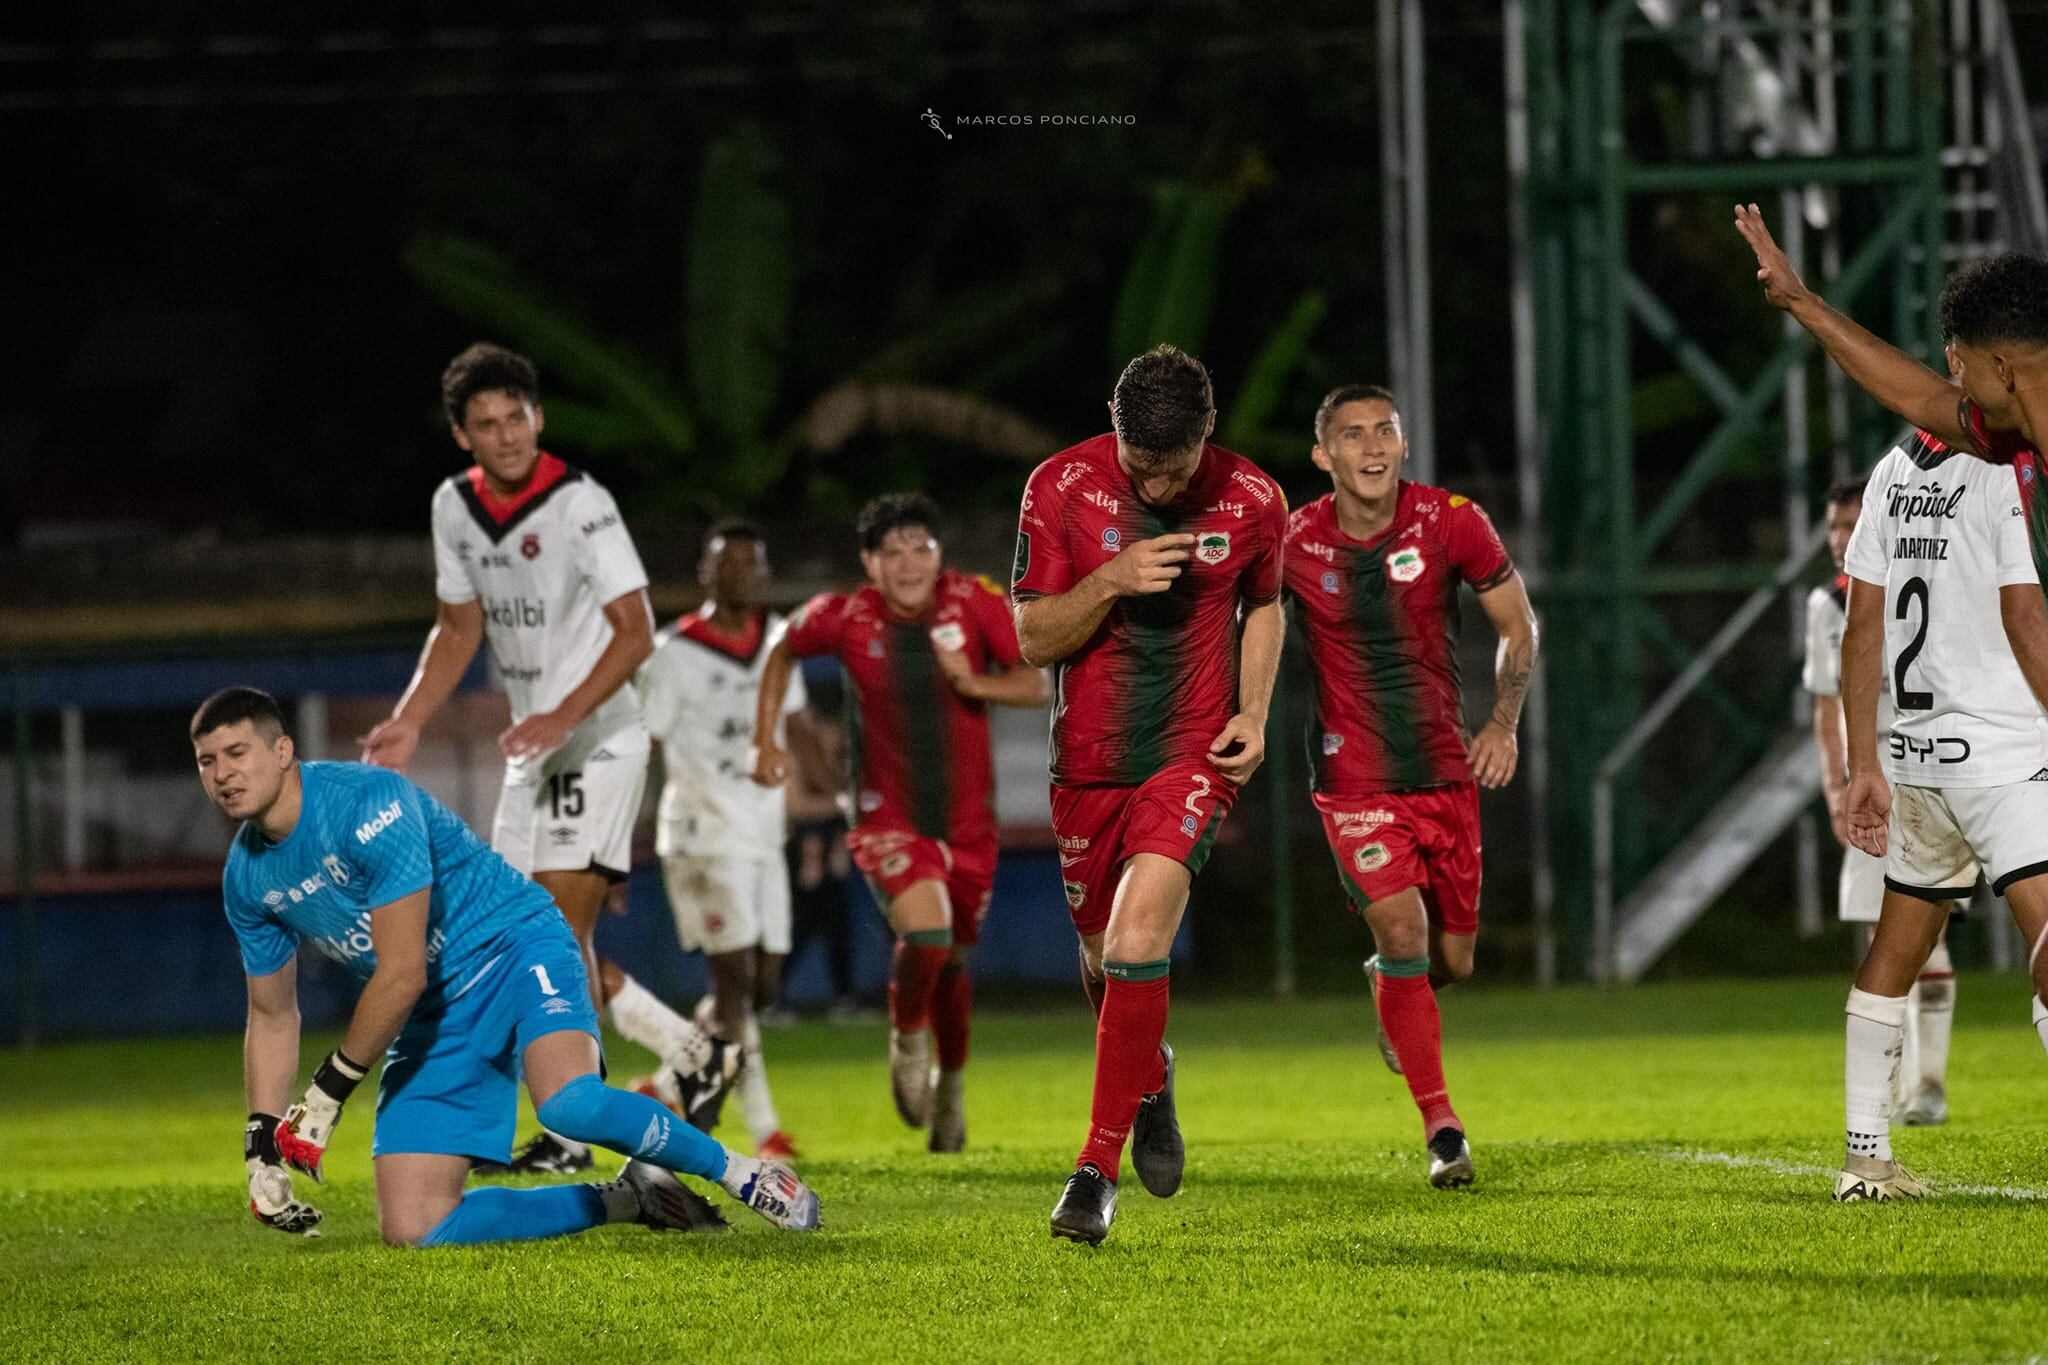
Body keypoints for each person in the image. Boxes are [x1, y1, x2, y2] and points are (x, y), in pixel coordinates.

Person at [194, 687, 819, 1245]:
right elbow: (272, 1015)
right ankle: (632, 1198)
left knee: (569, 1104)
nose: (223, 774)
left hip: (513, 947)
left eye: (237, 753)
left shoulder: (367, 803)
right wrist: (261, 1147)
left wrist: (327, 1093)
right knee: (415, 1227)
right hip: (435, 1010)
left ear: (283, 751)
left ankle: (744, 1173)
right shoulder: (246, 879)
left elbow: (402, 971)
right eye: (206, 761)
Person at [1735, 208, 2048, 1197]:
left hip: (1924, 753)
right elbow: (2023, 615)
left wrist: (1867, 757)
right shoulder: (1998, 451)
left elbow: (1865, 627)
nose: (1949, 389)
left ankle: (1863, 1156)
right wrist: (1801, 304)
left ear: (1988, 365)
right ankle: (1870, 1153)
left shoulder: (1903, 469)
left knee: (1896, 947)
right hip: (2003, 750)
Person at [361, 342, 732, 1174]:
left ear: (539, 417)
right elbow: (458, 627)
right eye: (486, 423)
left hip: (599, 737)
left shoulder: (582, 504)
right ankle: (695, 1052)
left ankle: (569, 1135)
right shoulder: (454, 506)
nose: (506, 434)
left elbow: (635, 631)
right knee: (504, 934)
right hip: (534, 749)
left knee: (557, 933)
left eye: (517, 416)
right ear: (463, 435)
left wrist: (563, 713)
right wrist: (409, 720)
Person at [1012, 344, 1288, 1245]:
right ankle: (1152, 1077)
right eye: (1142, 467)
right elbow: (1034, 638)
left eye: (1176, 469)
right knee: (1102, 959)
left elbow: (1266, 602)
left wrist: (1252, 711)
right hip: (1089, 763)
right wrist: (1111, 578)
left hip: (1191, 755)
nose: (1159, 487)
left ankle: (1093, 1172)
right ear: (1114, 427)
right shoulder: (1060, 487)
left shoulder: (1253, 497)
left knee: (1137, 944)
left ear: (1208, 431)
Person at [1282, 384, 1538, 1189]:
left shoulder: (1452, 520)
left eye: (1384, 431)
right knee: (1402, 928)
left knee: (1453, 959)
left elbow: (1518, 626)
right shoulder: (1293, 540)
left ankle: (1393, 984)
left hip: (1442, 771)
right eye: (1353, 434)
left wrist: (1502, 723)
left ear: (1403, 443)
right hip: (1352, 777)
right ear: (1323, 455)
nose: (1372, 446)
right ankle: (1443, 1129)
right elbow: (1242, 623)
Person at [751, 493, 1049, 1153]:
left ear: (939, 556)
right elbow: (780, 646)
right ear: (870, 563)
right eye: (892, 551)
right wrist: (763, 738)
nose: (909, 563)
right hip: (887, 817)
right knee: (928, 932)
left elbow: (1036, 684)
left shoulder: (974, 601)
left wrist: (975, 684)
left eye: (921, 548)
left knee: (953, 961)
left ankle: (951, 1087)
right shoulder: (845, 615)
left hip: (970, 824)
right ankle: (908, 1036)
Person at [636, 520, 806, 1161]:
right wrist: (626, 836)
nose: (738, 572)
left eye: (748, 562)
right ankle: (765, 1130)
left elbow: (797, 726)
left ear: (764, 573)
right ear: (704, 573)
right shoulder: (672, 650)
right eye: (724, 562)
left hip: (764, 832)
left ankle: (665, 1085)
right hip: (702, 833)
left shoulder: (782, 641)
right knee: (733, 980)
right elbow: (648, 744)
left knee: (763, 986)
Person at [1804, 478, 1956, 1125]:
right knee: (1880, 931)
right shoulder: (1825, 604)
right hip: (1870, 777)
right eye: (1833, 527)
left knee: (1929, 932)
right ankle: (1892, 1090)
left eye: (1851, 525)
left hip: (1929, 766)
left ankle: (1928, 1085)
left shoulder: (1928, 579)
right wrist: (1835, 787)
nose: (1841, 538)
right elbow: (1825, 708)